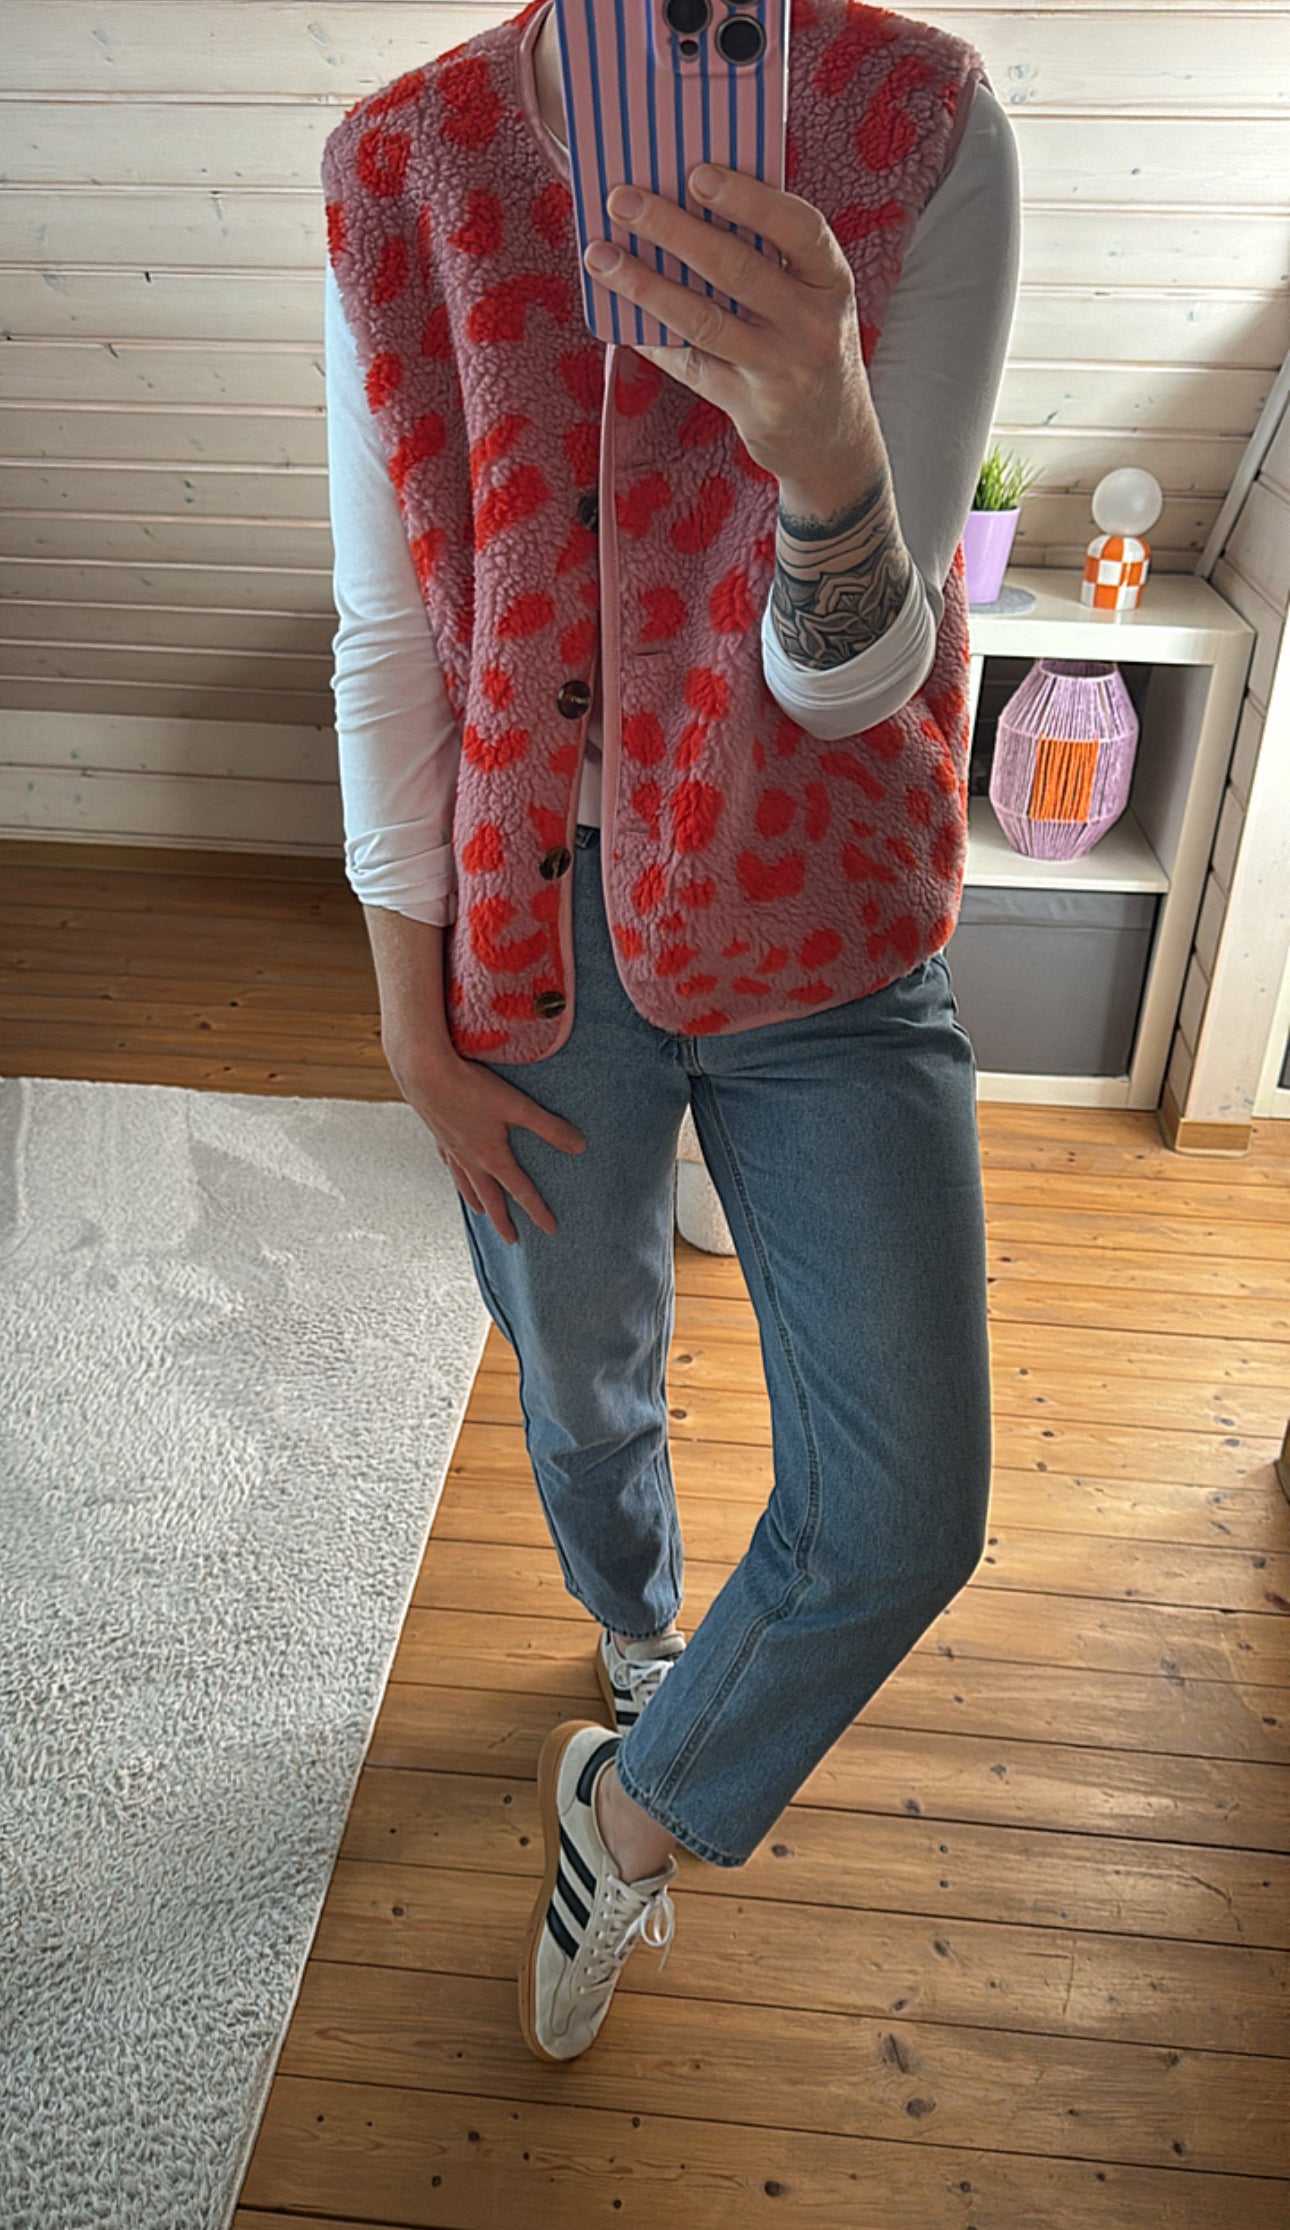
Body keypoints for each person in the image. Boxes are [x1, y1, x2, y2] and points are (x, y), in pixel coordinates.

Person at [323, 0, 1021, 2064]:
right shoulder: (404, 167)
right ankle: (639, 1638)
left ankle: (630, 1810)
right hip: (534, 924)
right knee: (579, 1384)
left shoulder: (917, 129)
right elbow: (393, 632)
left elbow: (852, 685)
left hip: (826, 918)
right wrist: (408, 1033)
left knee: (903, 1508)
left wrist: (830, 449)